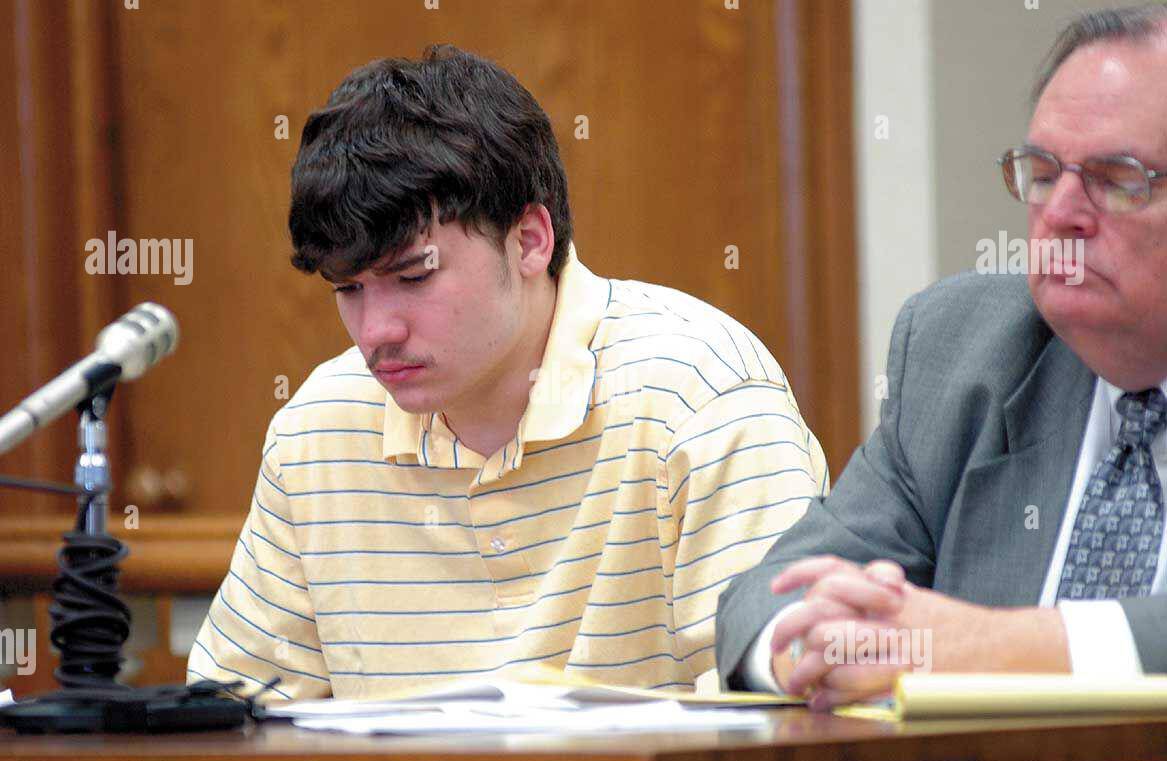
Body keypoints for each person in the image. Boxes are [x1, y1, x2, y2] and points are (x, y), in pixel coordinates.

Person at [188, 45, 827, 701]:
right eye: (347, 289)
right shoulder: (315, 432)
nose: (376, 330)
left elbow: (775, 706)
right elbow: (234, 721)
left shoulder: (699, 393)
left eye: (413, 276)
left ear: (529, 241)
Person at [717, 4, 1167, 709]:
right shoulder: (964, 349)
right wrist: (815, 645)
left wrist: (994, 648)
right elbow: (768, 592)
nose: (1060, 213)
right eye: (1042, 172)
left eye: (1117, 177)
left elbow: (971, 648)